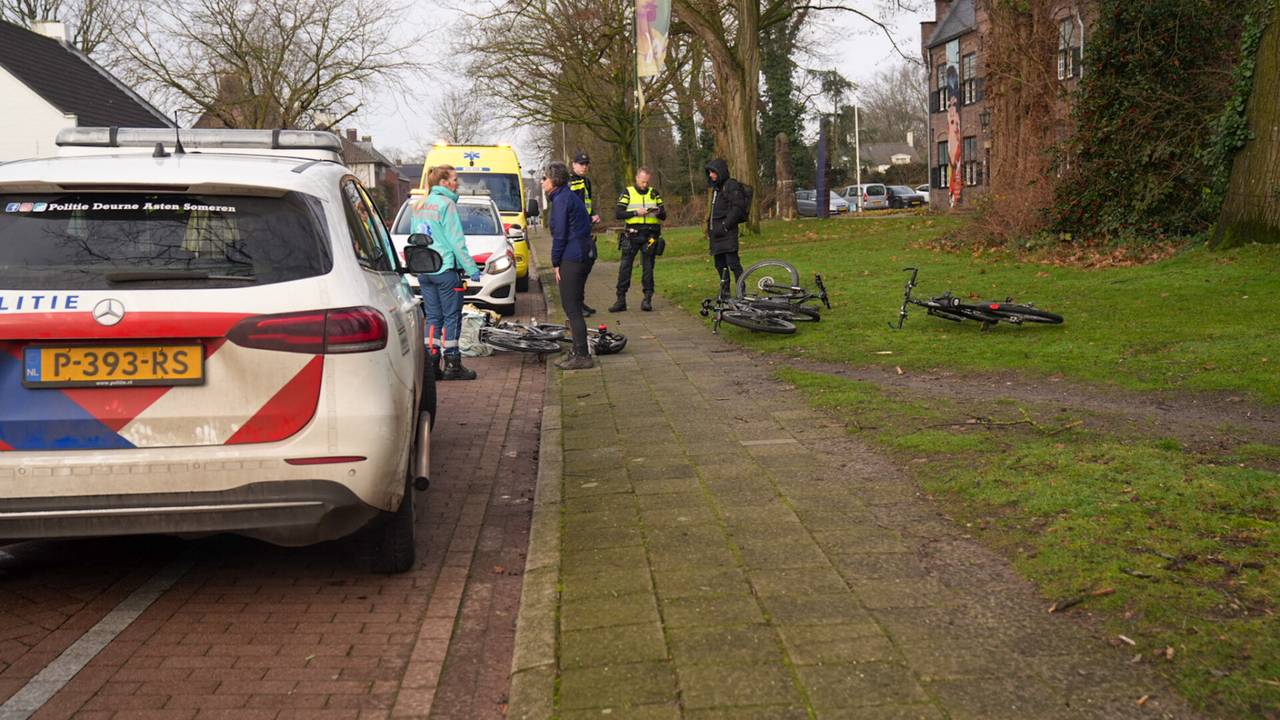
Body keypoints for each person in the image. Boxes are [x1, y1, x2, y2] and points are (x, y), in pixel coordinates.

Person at [411, 164, 483, 381]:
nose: (456, 183)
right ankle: (452, 364)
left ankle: (432, 363)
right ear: (443, 183)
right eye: (454, 179)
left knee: (433, 317)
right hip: (445, 269)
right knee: (452, 317)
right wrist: (471, 268)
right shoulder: (446, 204)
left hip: (425, 269)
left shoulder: (419, 205)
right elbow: (456, 241)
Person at [545, 161, 595, 370]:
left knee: (572, 307)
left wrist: (555, 262)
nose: (543, 182)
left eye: (545, 178)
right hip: (584, 252)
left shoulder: (561, 200)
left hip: (573, 256)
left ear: (554, 180)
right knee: (574, 303)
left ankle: (582, 355)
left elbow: (560, 235)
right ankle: (577, 350)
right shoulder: (568, 196)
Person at [610, 166, 666, 312]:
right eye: (642, 182)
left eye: (647, 182)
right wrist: (635, 212)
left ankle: (647, 299)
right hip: (632, 235)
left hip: (651, 236)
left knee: (648, 268)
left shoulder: (654, 193)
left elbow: (664, 215)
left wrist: (658, 212)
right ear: (637, 178)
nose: (645, 185)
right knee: (625, 267)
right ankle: (620, 300)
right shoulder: (627, 192)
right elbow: (618, 213)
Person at [704, 158, 749, 292]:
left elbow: (737, 208)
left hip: (727, 233)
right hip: (716, 234)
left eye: (713, 172)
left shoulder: (731, 185)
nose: (711, 175)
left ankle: (741, 291)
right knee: (720, 265)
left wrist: (725, 225)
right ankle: (725, 292)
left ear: (720, 171)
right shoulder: (716, 189)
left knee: (733, 263)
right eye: (709, 172)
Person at [568, 152, 600, 316]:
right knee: (577, 270)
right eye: (581, 164)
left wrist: (593, 214)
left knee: (587, 264)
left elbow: (587, 203)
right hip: (574, 232)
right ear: (573, 164)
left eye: (586, 164)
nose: (584, 167)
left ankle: (580, 302)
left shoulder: (586, 181)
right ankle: (576, 306)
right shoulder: (569, 182)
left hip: (585, 230)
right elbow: (572, 207)